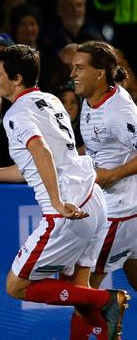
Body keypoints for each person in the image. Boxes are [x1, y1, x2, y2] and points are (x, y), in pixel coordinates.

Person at [0, 44, 129, 340]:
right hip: (93, 202)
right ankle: (98, 321)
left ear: (17, 78)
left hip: (68, 211)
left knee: (16, 286)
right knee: (78, 290)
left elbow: (41, 152)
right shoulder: (50, 101)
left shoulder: (16, 114)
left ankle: (106, 300)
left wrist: (57, 203)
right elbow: (33, 165)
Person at [71, 41, 137, 295]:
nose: (72, 74)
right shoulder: (91, 100)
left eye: (79, 68)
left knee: (83, 291)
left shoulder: (120, 112)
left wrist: (112, 175)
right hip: (117, 208)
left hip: (118, 214)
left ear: (99, 73)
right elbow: (97, 147)